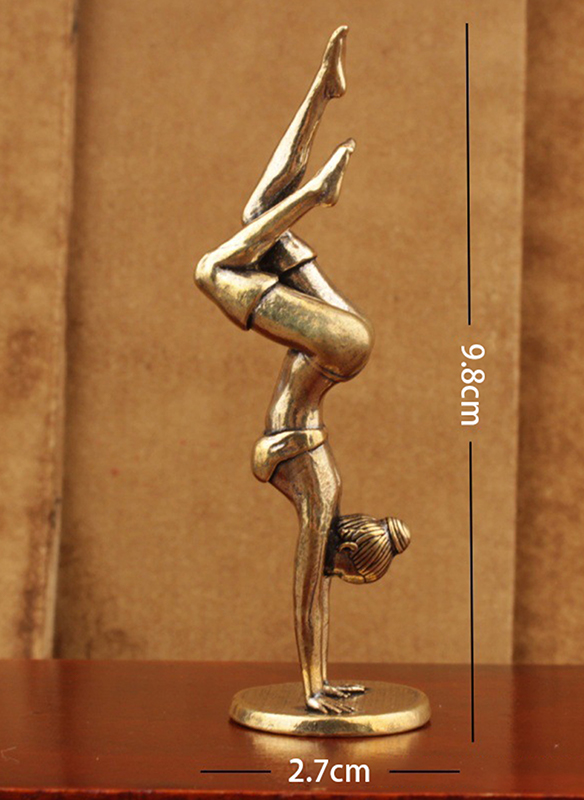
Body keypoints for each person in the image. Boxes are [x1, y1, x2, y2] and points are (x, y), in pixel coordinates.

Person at [196, 27, 408, 714]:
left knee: (257, 215)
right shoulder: (322, 493)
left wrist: (268, 454)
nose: (328, 570)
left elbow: (270, 459)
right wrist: (314, 686)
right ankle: (318, 190)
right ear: (344, 554)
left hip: (339, 345)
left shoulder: (321, 486)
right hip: (336, 348)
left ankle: (323, 90)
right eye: (341, 568)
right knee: (212, 269)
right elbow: (308, 591)